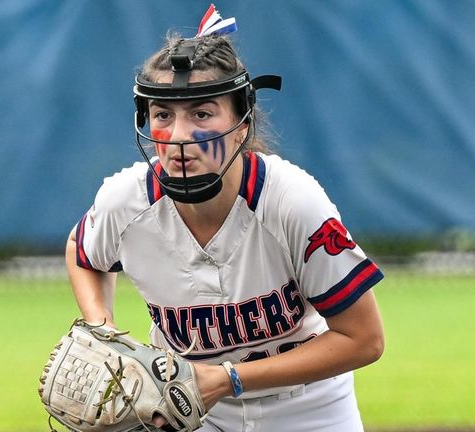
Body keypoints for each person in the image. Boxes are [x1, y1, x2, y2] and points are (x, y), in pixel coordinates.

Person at [65, 5, 385, 431]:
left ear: (241, 124)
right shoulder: (126, 201)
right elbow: (81, 250)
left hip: (308, 411)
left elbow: (363, 339)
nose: (178, 136)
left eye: (201, 113)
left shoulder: (291, 202)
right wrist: (104, 334)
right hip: (192, 412)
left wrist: (230, 378)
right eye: (163, 115)